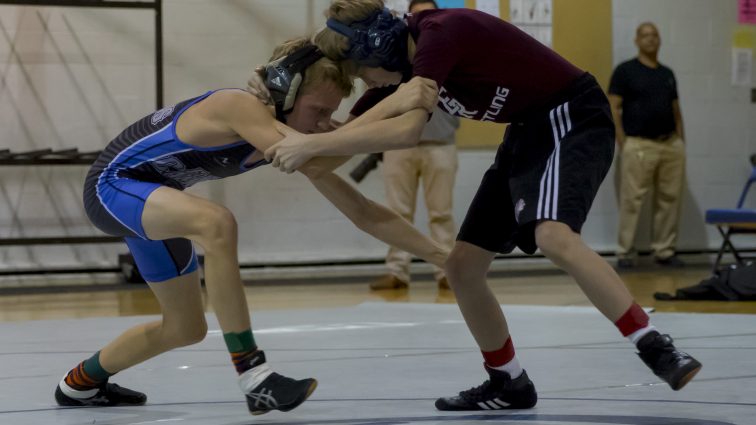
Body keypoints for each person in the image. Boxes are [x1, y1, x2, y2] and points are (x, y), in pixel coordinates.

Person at [263, 1, 703, 411]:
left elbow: (407, 128)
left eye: (361, 72)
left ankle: (653, 343)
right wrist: (268, 128)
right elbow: (332, 155)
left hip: (570, 115)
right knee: (462, 268)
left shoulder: (440, 30)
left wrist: (316, 142)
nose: (365, 82)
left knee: (552, 234)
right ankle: (508, 380)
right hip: (527, 131)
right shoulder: (398, 75)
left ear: (376, 46)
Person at [55, 37, 445, 415]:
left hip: (154, 197)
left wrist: (443, 256)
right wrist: (393, 104)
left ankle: (78, 384)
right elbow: (314, 160)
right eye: (319, 112)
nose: (325, 125)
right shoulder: (237, 105)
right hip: (113, 186)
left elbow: (361, 210)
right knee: (216, 223)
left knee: (184, 328)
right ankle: (255, 376)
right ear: (285, 95)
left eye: (331, 114)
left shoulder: (292, 133)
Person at [368, 0, 460, 291]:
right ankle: (397, 272)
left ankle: (447, 270)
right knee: (396, 212)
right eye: (418, 15)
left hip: (441, 144)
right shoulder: (395, 58)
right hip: (398, 146)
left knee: (441, 212)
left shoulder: (451, 50)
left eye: (429, 15)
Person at [609, 22, 686, 269]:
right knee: (632, 200)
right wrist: (623, 142)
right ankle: (625, 253)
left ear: (660, 40)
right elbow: (613, 108)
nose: (650, 39)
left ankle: (664, 251)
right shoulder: (625, 71)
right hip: (638, 145)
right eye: (645, 35)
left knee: (669, 199)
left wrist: (681, 142)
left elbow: (676, 111)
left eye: (654, 35)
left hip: (670, 145)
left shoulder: (667, 74)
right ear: (636, 40)